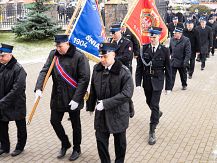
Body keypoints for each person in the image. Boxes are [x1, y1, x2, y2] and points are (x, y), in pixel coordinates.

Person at [35, 34, 90, 161]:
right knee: (54, 121)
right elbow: (45, 70)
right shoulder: (53, 55)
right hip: (58, 96)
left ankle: (77, 148)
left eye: (60, 46)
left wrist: (77, 99)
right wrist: (39, 87)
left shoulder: (79, 57)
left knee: (75, 125)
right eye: (56, 46)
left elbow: (84, 79)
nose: (58, 49)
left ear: (67, 44)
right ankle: (65, 143)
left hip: (73, 96)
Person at [86, 42, 134, 163]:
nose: (102, 59)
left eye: (105, 56)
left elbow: (127, 94)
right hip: (101, 113)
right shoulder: (97, 69)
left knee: (120, 143)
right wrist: (91, 105)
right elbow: (93, 88)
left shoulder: (124, 72)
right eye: (100, 56)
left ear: (113, 55)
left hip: (118, 113)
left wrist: (106, 104)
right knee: (101, 141)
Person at [135, 27, 172, 145]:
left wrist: (168, 87)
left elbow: (168, 69)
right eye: (151, 36)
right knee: (149, 102)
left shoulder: (165, 50)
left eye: (154, 37)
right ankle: (157, 113)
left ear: (159, 37)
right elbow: (139, 68)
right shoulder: (144, 49)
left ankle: (152, 130)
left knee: (154, 104)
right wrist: (137, 83)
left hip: (158, 81)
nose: (152, 39)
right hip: (146, 81)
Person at [0, 43, 27, 157]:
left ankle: (20, 147)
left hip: (16, 103)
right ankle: (4, 147)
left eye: (3, 56)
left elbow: (17, 89)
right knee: (1, 125)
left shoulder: (19, 69)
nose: (0, 58)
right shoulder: (1, 66)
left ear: (10, 55)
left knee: (20, 125)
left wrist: (2, 101)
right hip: (3, 102)